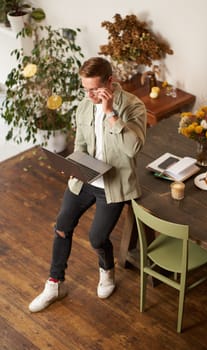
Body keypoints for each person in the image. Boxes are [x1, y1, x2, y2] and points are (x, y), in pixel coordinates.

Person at [29, 57, 147, 312]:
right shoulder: (83, 106)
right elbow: (81, 145)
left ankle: (106, 270)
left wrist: (110, 113)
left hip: (114, 184)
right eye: (85, 89)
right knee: (62, 226)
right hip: (86, 177)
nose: (90, 95)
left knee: (97, 238)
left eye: (95, 89)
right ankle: (55, 283)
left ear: (110, 82)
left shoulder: (133, 106)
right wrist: (74, 166)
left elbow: (134, 149)